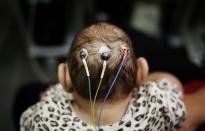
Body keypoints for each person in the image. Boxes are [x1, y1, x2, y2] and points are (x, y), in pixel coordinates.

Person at [20, 23, 187, 131]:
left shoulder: (46, 114)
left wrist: (50, 97)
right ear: (141, 71)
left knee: (25, 94)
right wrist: (158, 80)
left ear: (64, 77)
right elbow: (177, 104)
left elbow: (27, 123)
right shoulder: (157, 103)